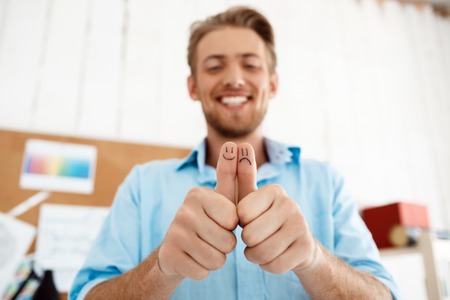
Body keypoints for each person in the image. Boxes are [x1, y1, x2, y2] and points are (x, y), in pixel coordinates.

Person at [70, 6, 399, 299]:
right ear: (193, 87)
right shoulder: (143, 186)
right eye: (214, 67)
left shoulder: (326, 183)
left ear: (272, 85)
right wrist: (161, 269)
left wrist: (314, 259)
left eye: (251, 65)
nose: (235, 79)